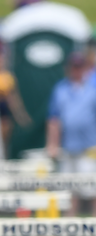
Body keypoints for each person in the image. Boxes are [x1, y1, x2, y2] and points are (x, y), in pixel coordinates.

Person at [46, 51, 96, 215]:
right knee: (69, 188)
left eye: (80, 66)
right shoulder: (60, 89)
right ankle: (69, 223)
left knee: (92, 186)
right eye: (74, 67)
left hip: (90, 145)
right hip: (67, 146)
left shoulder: (92, 88)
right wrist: (52, 144)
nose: (76, 70)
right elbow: (54, 119)